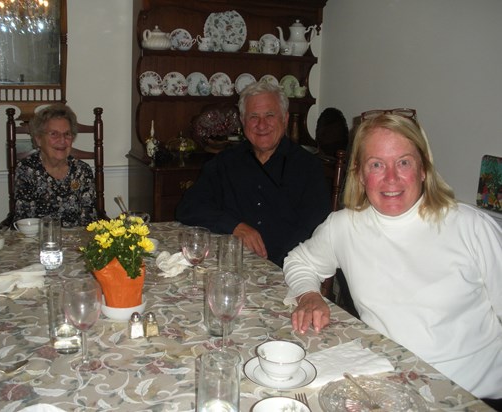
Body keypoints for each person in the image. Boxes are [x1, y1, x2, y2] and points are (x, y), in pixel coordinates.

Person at [284, 109, 502, 403]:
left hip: (472, 396)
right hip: (389, 387)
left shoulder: (471, 227)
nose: (391, 178)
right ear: (360, 174)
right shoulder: (345, 226)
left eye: (403, 162)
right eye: (376, 164)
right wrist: (309, 295)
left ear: (423, 168)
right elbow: (299, 261)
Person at [176, 82, 331, 267]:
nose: (261, 125)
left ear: (285, 118)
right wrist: (235, 226)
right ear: (243, 121)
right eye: (253, 117)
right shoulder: (225, 162)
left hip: (286, 270)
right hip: (230, 264)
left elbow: (314, 230)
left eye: (270, 115)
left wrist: (272, 265)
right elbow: (188, 207)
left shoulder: (308, 167)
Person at [13, 103, 97, 227]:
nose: (62, 140)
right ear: (39, 139)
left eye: (67, 134)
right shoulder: (26, 169)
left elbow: (90, 221)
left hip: (76, 242)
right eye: (54, 134)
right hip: (39, 242)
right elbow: (26, 222)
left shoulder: (82, 171)